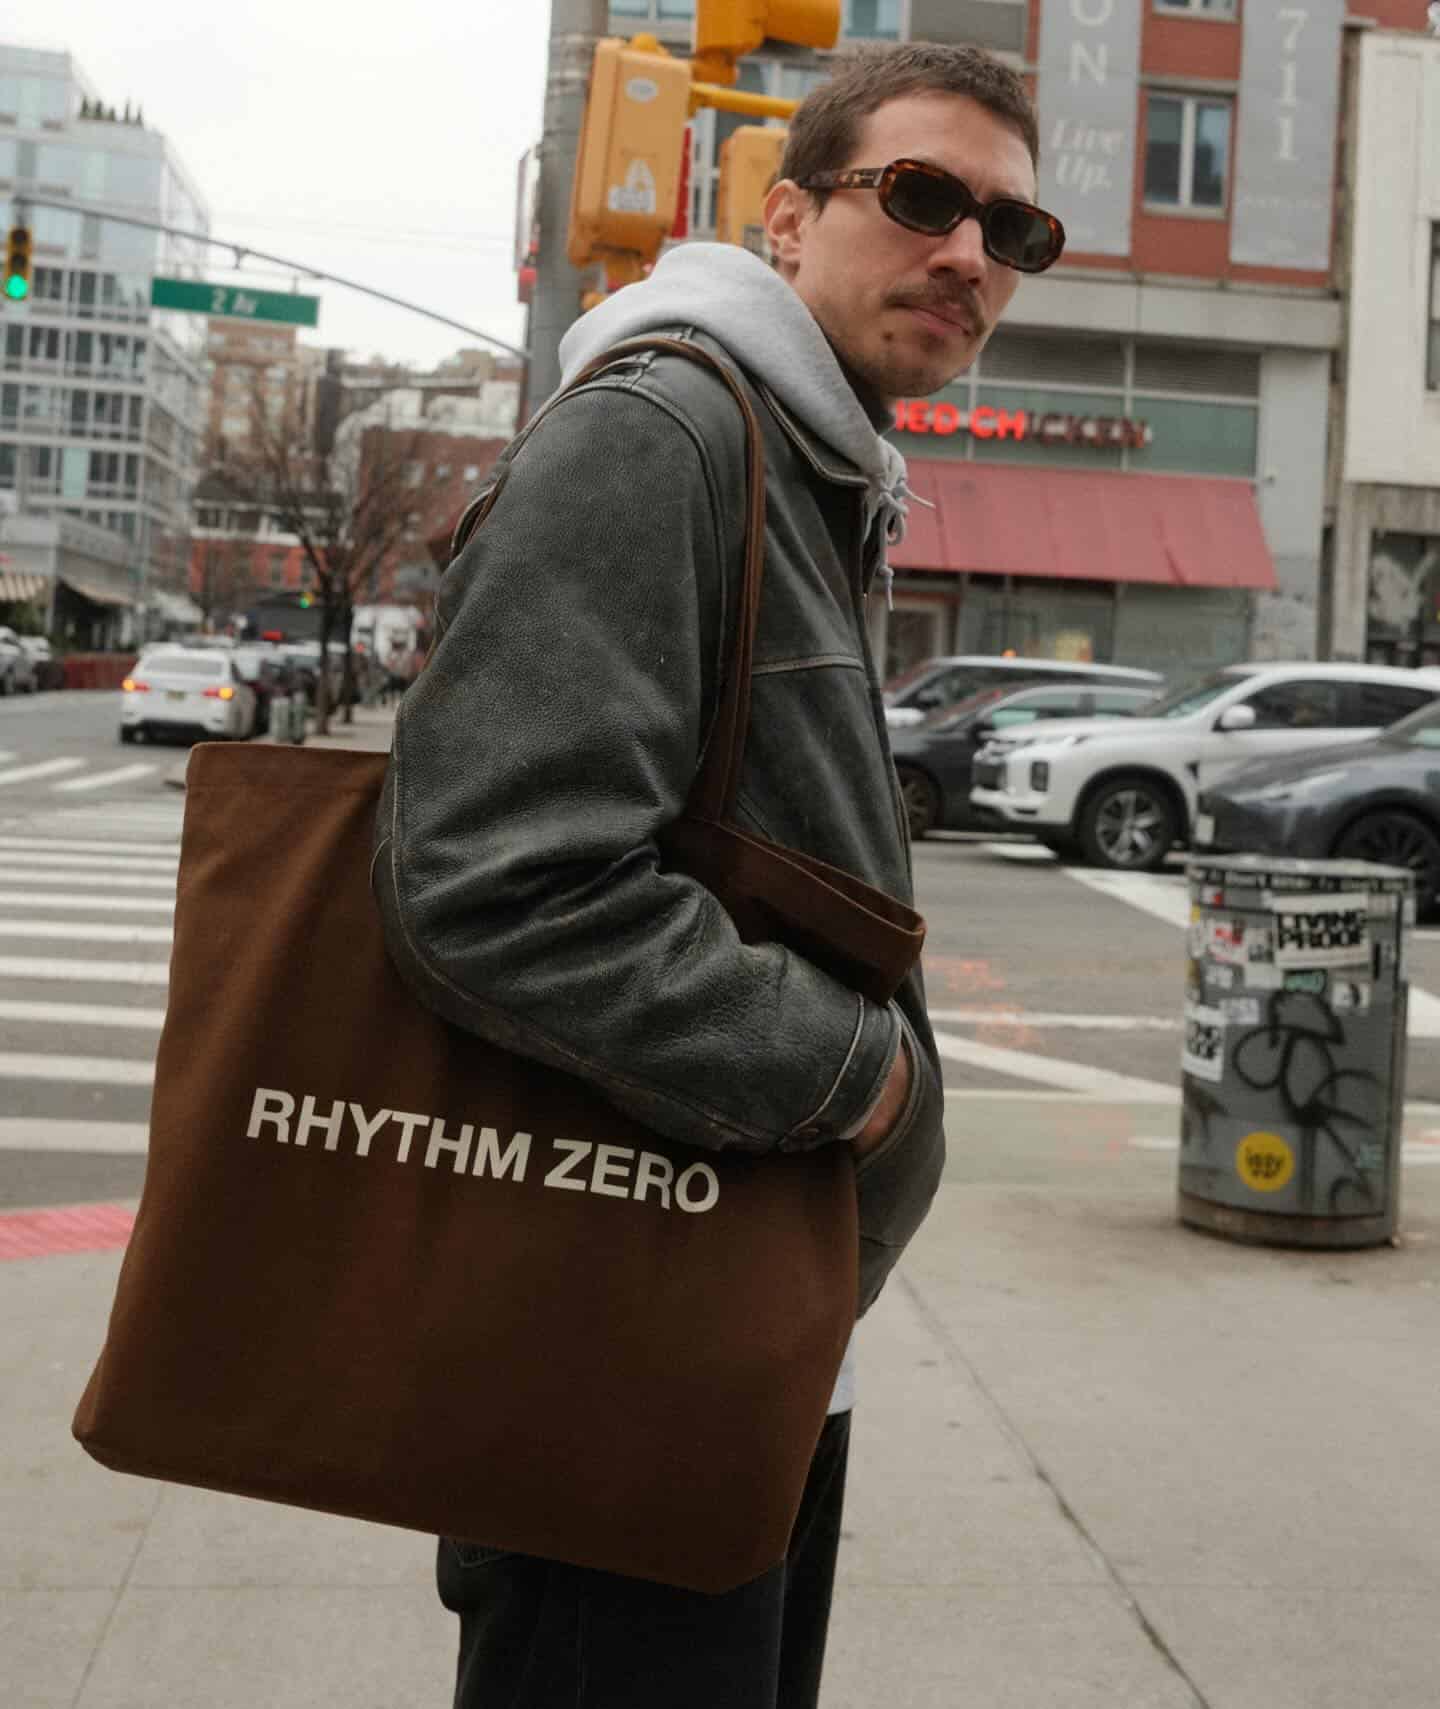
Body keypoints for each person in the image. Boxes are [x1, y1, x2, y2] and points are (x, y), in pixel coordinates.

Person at [373, 39, 1061, 1709]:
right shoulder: (668, 434)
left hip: (731, 1325)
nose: (969, 254)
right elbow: (495, 884)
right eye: (920, 198)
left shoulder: (810, 463)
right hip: (619, 1354)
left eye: (1014, 233)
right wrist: (863, 1078)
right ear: (787, 217)